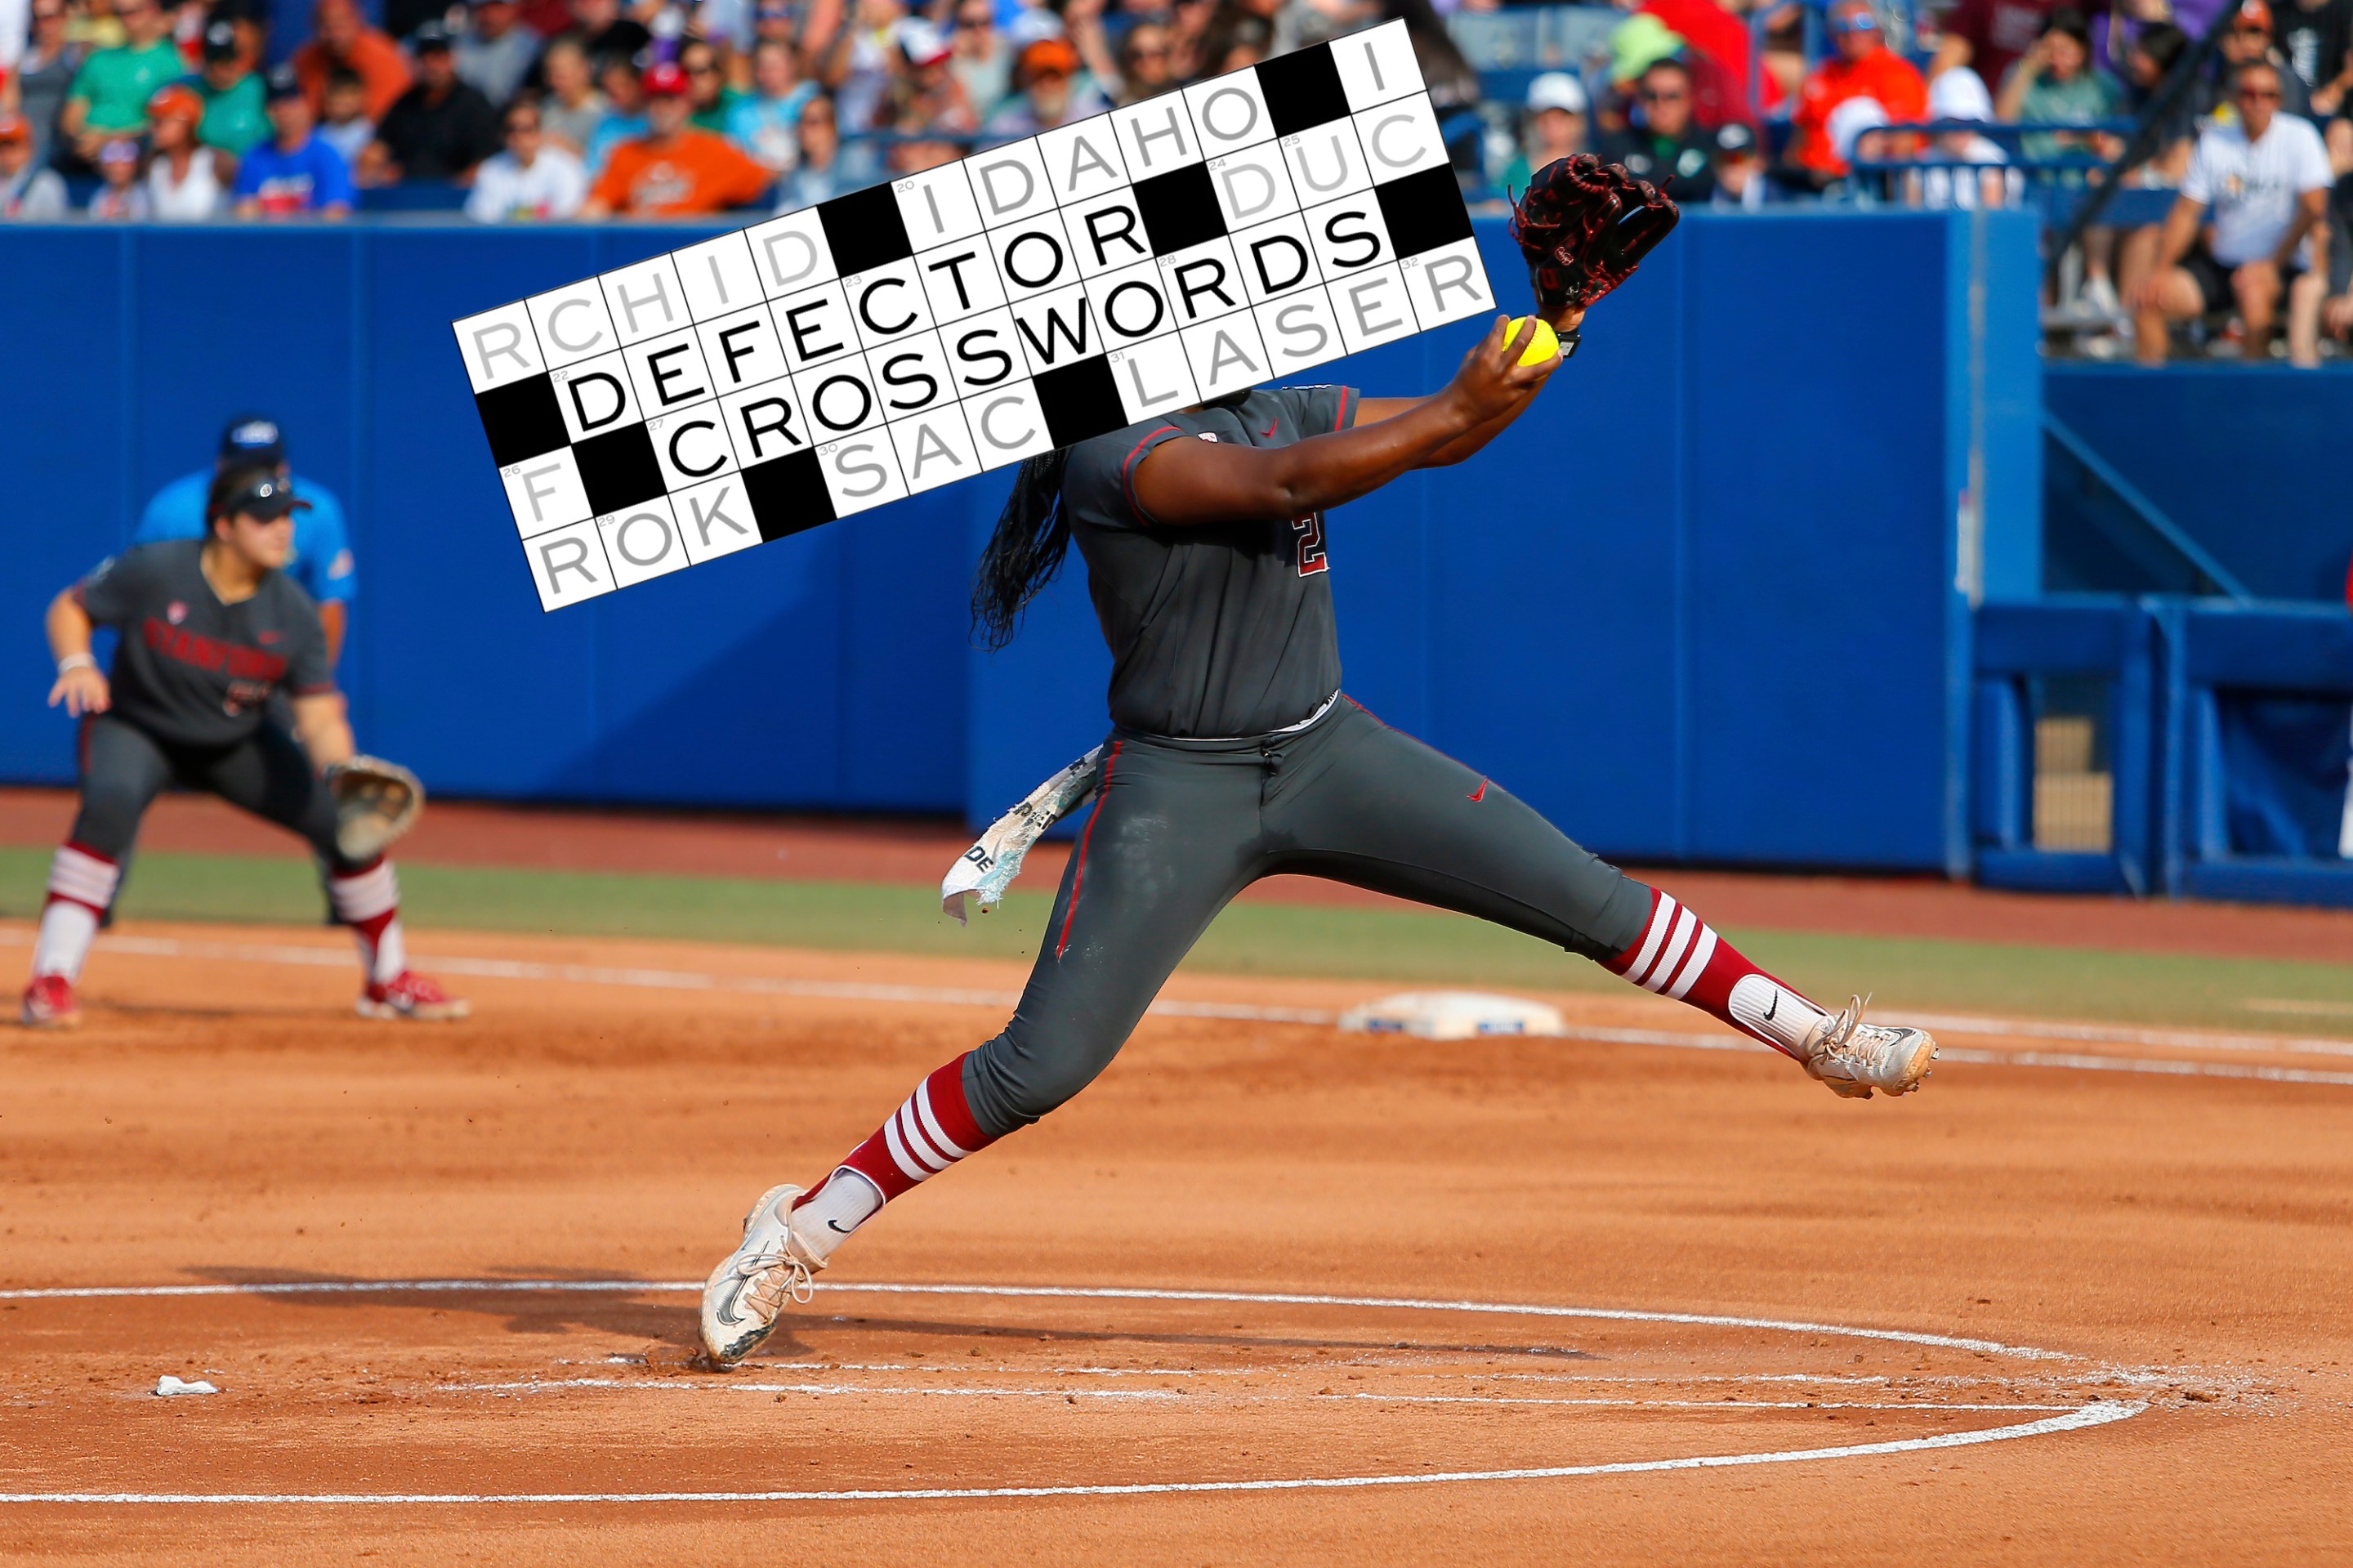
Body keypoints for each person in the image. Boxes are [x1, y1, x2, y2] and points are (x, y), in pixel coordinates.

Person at [694, 161, 1943, 1369]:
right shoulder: (1115, 447)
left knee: (1585, 895)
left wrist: (1557, 324)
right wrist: (1451, 409)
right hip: (1179, 783)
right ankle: (797, 1228)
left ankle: (1813, 1035)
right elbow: (1286, 478)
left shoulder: (1268, 395)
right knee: (1042, 1063)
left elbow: (1434, 439)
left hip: (1323, 745)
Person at [22, 467, 466, 1030]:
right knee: (107, 804)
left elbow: (320, 711)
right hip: (138, 726)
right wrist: (78, 662)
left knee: (345, 823)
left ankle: (388, 978)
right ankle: (51, 980)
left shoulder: (296, 613)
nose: (283, 530)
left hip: (232, 742)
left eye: (287, 517)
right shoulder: (159, 568)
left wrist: (341, 770)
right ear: (224, 525)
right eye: (265, 517)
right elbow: (70, 606)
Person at [2132, 61, 2333, 364]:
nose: (2258, 102)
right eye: (2249, 93)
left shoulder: (2300, 137)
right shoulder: (2215, 140)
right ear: (2234, 97)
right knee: (2149, 300)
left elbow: (2313, 209)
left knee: (2254, 293)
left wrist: (2270, 265)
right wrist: (2160, 270)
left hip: (2282, 263)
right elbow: (2187, 212)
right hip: (2223, 264)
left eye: (2268, 94)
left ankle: (2251, 402)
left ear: (2279, 99)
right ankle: (2156, 398)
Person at [136, 415, 357, 662]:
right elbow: (136, 593)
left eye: (267, 468)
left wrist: (316, 683)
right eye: (245, 468)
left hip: (271, 653)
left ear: (284, 468)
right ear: (223, 526)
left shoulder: (316, 510)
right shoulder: (173, 509)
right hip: (188, 648)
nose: (259, 478)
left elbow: (329, 602)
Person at [582, 60, 774, 216]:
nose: (662, 109)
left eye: (670, 100)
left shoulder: (715, 150)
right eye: (655, 100)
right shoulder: (625, 153)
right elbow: (595, 208)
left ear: (687, 104)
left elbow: (767, 182)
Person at [1788, 0, 1926, 181]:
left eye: (1863, 23)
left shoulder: (1897, 74)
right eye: (1843, 26)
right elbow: (1797, 144)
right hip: (1810, 182)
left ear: (1876, 30)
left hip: (1867, 182)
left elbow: (1905, 146)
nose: (1853, 33)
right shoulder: (1820, 77)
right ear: (1831, 33)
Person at [360, 20, 501, 184]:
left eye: (438, 57)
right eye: (424, 57)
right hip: (408, 198)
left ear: (452, 59)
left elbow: (488, 162)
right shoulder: (404, 104)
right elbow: (377, 150)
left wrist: (454, 190)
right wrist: (378, 171)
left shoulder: (474, 104)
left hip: (458, 201)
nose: (431, 65)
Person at [56, 0, 178, 167]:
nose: (127, 20)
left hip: (137, 160)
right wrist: (81, 139)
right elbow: (73, 111)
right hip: (85, 157)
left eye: (133, 12)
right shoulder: (98, 58)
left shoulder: (170, 63)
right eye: (120, 14)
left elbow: (166, 125)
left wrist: (108, 139)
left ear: (152, 9)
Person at [233, 64, 355, 217]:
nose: (284, 111)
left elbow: (335, 212)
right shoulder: (255, 156)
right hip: (268, 238)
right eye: (276, 104)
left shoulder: (328, 155)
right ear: (267, 111)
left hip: (312, 238)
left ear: (306, 104)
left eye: (291, 101)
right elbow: (244, 211)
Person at [1600, 57, 1717, 202]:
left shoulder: (1712, 148)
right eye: (1651, 96)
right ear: (1639, 99)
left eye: (1672, 96)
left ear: (1689, 99)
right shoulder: (1617, 149)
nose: (1661, 105)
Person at [465, 96, 587, 218]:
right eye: (511, 129)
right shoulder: (491, 170)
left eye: (527, 129)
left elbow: (567, 218)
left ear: (540, 131)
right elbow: (482, 218)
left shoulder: (565, 167)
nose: (519, 137)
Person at [292, 0, 412, 122]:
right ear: (314, 27)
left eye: (341, 25)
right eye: (327, 27)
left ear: (358, 20)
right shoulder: (304, 60)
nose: (335, 35)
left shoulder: (383, 57)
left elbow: (387, 120)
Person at [1930, 0, 2064, 102]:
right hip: (1986, 120)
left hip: (2050, 117)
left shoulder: (2074, 6)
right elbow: (1946, 64)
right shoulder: (1983, 3)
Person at [13, 0, 88, 172]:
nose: (43, 25)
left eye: (49, 17)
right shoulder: (26, 58)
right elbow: (9, 102)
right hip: (22, 148)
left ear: (64, 17)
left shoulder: (75, 53)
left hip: (55, 149)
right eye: (37, 18)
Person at [725, 37, 818, 172]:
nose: (768, 73)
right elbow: (734, 159)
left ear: (791, 66)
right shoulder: (741, 111)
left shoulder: (813, 97)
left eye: (774, 66)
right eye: (762, 67)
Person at [142, 81, 222, 217]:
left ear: (185, 123)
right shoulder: (155, 167)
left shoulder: (217, 162)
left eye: (160, 122)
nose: (153, 129)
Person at [1501, 70, 1587, 194]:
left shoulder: (1592, 171)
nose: (1552, 125)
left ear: (1577, 121)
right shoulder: (1516, 170)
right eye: (1545, 118)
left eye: (1561, 117)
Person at [453, 0, 535, 109]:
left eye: (498, 8)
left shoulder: (532, 48)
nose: (491, 17)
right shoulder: (458, 45)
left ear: (514, 9)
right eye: (484, 9)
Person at [534, 36, 605, 158]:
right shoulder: (545, 108)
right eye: (549, 75)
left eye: (561, 76)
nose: (553, 82)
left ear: (584, 71)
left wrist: (570, 151)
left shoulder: (605, 111)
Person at [2277, 0, 2353, 115]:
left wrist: (2335, 90)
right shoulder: (2277, 11)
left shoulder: (2345, 10)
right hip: (2286, 101)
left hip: (2334, 106)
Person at [0, 109, 68, 217]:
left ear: (29, 148)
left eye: (12, 146)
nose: (6, 154)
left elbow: (54, 230)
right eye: (1, 147)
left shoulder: (46, 183)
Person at [315, 65, 375, 165]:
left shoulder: (370, 133)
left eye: (350, 94)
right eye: (337, 93)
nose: (343, 100)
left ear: (362, 97)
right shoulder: (317, 135)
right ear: (326, 99)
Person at [86, 130, 148, 215]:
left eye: (127, 154)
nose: (117, 163)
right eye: (110, 154)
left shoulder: (148, 195)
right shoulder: (99, 197)